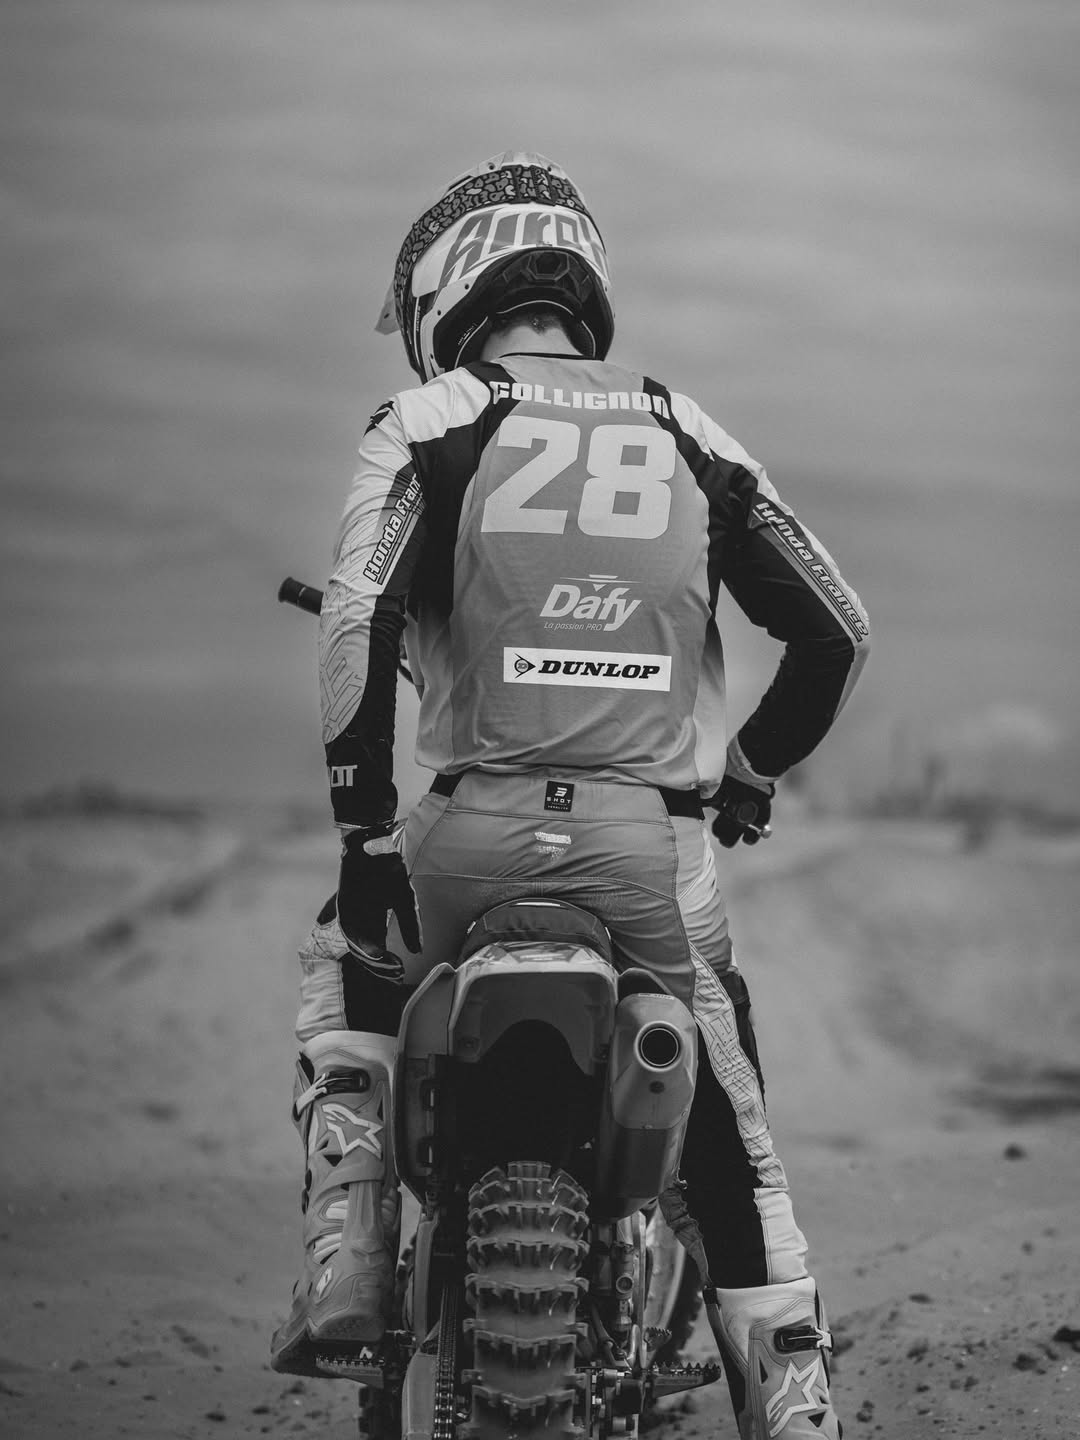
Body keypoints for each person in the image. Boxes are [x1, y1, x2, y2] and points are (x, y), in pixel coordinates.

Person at [271, 151, 869, 1440]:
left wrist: (364, 829)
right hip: (651, 854)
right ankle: (797, 1403)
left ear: (446, 290)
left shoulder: (427, 421)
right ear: (578, 278)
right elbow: (838, 631)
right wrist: (751, 768)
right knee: (735, 1133)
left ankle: (353, 1256)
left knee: (339, 966)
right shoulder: (689, 429)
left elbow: (360, 616)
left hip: (468, 840)